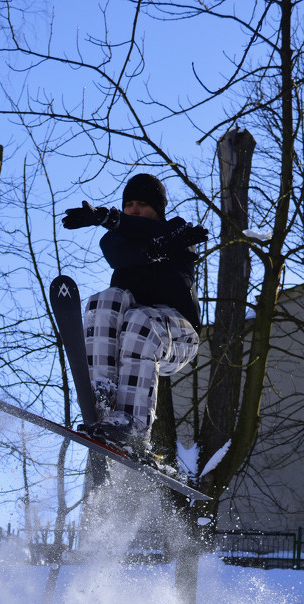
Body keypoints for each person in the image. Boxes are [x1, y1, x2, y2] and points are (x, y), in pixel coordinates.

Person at [62, 173, 207, 458]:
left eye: (142, 204)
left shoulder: (178, 231)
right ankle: (102, 394)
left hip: (180, 336)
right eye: (128, 204)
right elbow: (124, 252)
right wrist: (113, 223)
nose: (134, 210)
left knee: (140, 322)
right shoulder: (115, 243)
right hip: (136, 334)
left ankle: (135, 427)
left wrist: (114, 219)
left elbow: (156, 234)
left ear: (158, 209)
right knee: (103, 301)